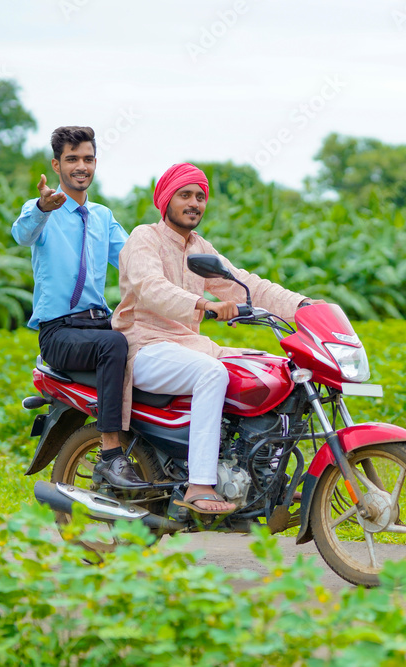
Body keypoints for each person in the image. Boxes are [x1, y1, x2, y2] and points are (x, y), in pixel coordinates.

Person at [112, 163, 323, 514]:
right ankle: (199, 485)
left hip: (189, 346)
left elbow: (245, 284)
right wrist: (202, 305)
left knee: (273, 368)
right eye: (185, 195)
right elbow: (150, 288)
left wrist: (301, 305)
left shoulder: (199, 248)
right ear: (166, 200)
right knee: (213, 373)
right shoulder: (144, 238)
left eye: (200, 196)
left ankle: (266, 479)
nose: (194, 202)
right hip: (145, 345)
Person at [11, 126, 142, 488]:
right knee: (115, 344)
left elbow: (135, 262)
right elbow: (22, 234)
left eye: (86, 158)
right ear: (57, 165)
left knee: (153, 341)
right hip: (60, 331)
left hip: (98, 322)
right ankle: (112, 455)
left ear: (95, 163)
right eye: (71, 159)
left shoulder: (102, 216)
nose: (80, 166)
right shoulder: (43, 210)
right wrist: (42, 207)